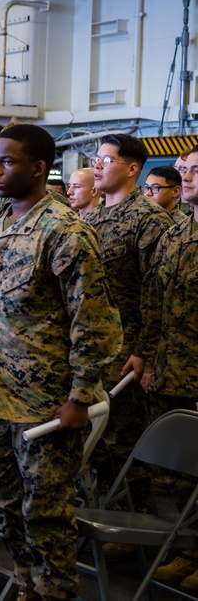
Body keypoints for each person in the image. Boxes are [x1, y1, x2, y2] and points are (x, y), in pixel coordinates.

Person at [0, 123, 121, 601]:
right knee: (2, 499)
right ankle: (26, 584)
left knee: (45, 511)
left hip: (46, 404)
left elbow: (94, 322)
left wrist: (80, 396)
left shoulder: (66, 231)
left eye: (8, 162)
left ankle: (54, 591)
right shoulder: (2, 222)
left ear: (39, 169)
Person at [83, 134, 173, 543]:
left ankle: (133, 527)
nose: (97, 166)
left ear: (132, 169)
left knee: (124, 443)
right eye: (96, 159)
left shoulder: (149, 220)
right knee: (97, 444)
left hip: (128, 355)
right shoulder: (91, 218)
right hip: (94, 351)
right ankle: (104, 514)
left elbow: (160, 294)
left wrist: (144, 351)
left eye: (105, 159)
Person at [143, 146, 198, 592]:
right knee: (174, 474)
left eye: (197, 169)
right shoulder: (176, 234)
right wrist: (148, 357)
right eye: (185, 170)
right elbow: (153, 302)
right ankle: (187, 551)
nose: (189, 176)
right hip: (171, 370)